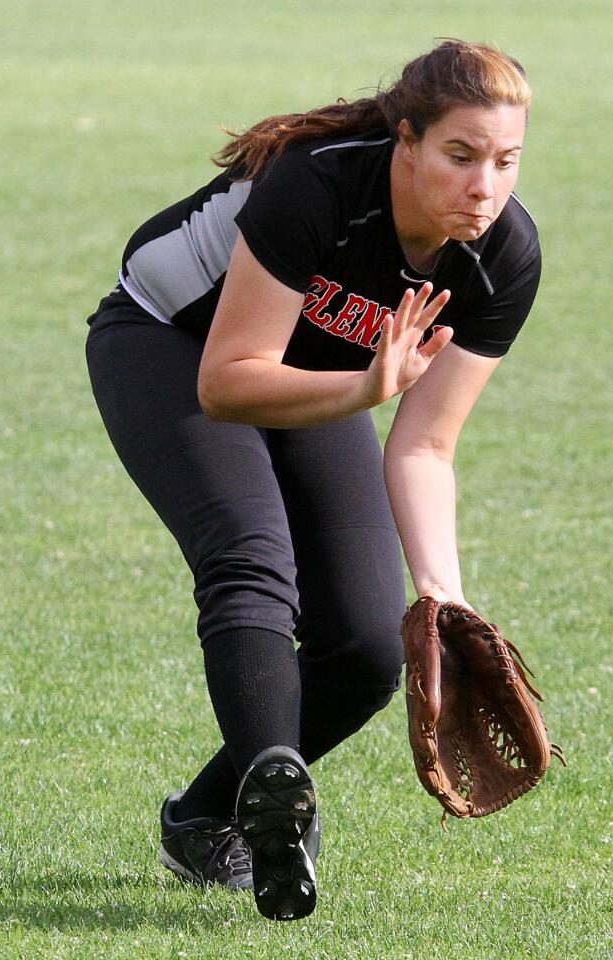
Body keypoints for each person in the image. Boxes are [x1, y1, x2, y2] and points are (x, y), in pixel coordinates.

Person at [85, 39, 540, 922]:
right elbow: (226, 381)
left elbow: (424, 447)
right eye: (460, 155)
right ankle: (275, 807)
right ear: (405, 141)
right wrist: (365, 387)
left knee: (370, 647)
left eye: (505, 161)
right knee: (251, 555)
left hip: (314, 375)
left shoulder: (502, 258)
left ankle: (209, 813)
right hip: (170, 343)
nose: (485, 185)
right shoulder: (320, 185)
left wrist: (443, 600)